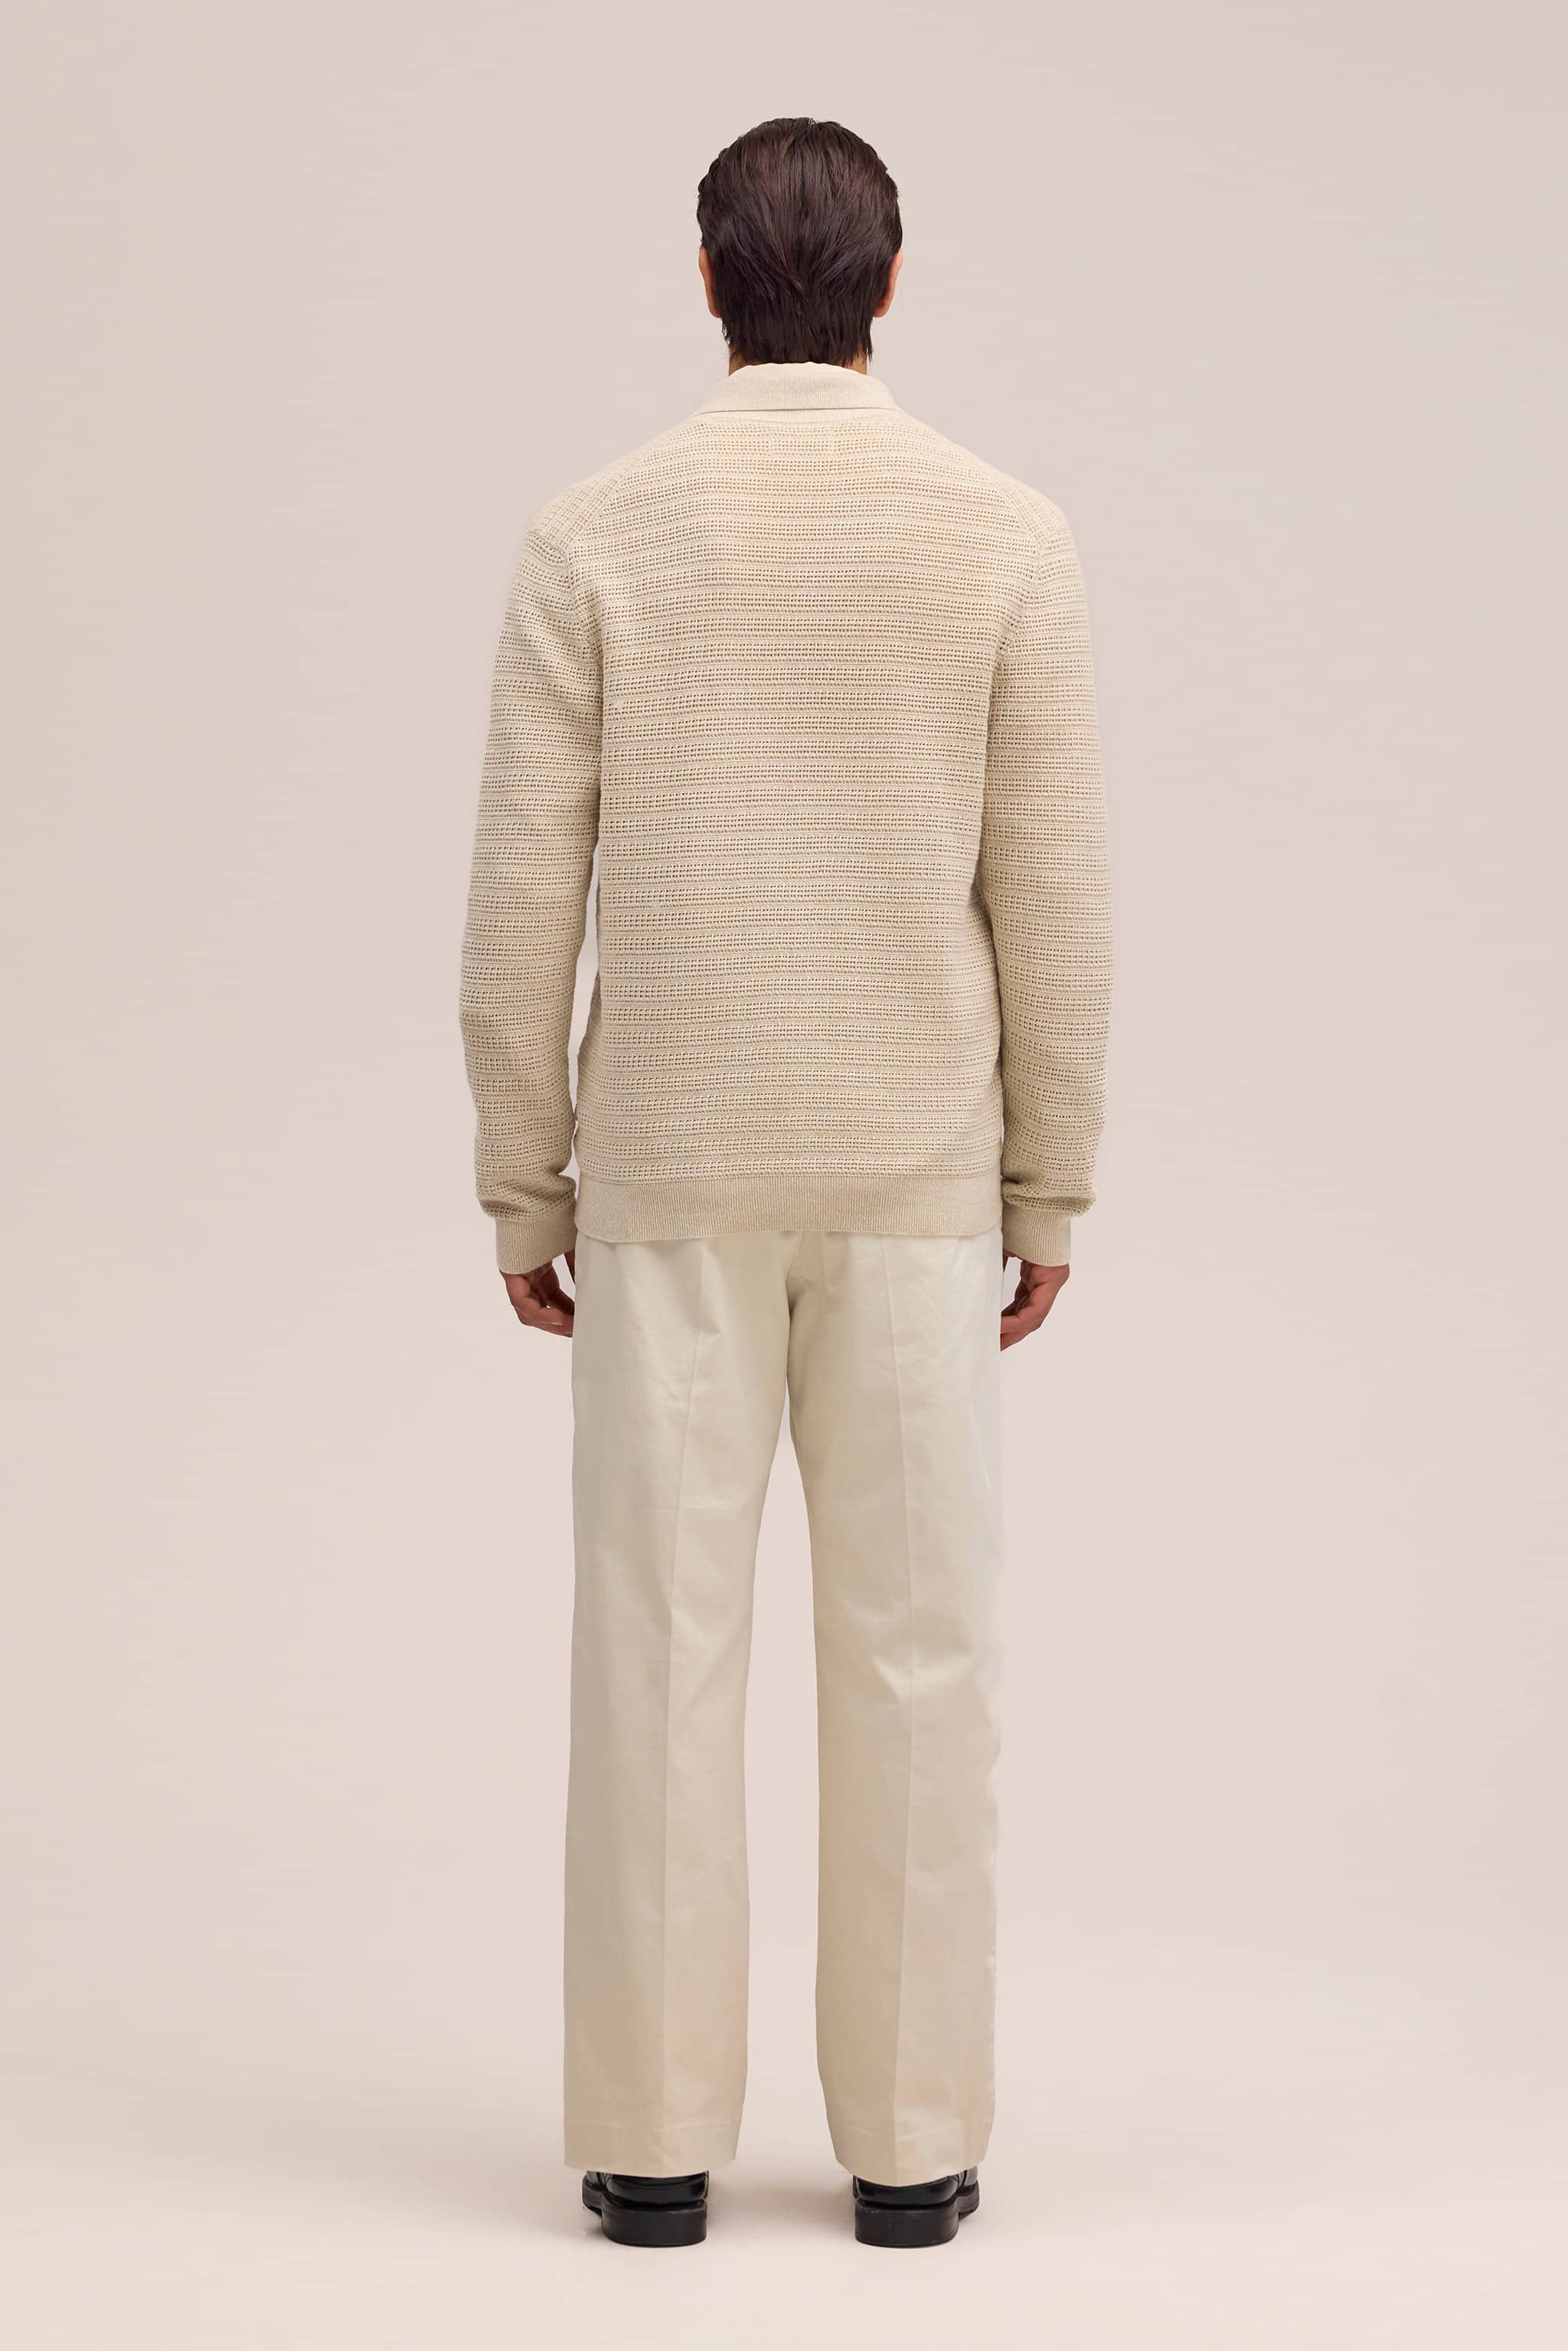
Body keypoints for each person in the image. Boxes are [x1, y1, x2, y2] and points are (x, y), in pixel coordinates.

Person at [460, 114, 1111, 2250]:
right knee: (922, 1661)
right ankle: (912, 2158)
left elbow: (518, 906)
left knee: (656, 1654)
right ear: (889, 285)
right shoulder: (1003, 534)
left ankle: (651, 2154)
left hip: (670, 1169)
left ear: (711, 283)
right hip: (916, 1177)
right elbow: (1055, 900)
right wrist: (1049, 1184)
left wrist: (526, 1183)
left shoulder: (596, 535)